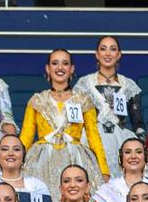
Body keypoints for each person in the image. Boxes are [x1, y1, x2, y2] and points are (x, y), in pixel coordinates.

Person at [20, 48, 110, 187]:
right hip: (41, 161)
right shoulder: (37, 101)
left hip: (76, 159)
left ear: (72, 69)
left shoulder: (83, 101)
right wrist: (15, 164)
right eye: (55, 63)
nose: (60, 67)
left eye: (65, 63)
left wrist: (104, 170)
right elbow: (26, 138)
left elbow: (94, 137)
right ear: (48, 68)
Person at [74, 34, 143, 177]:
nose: (107, 53)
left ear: (119, 55)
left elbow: (137, 122)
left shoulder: (129, 85)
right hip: (92, 140)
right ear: (97, 54)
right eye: (103, 49)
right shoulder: (84, 84)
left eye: (112, 49)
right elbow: (76, 119)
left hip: (120, 138)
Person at [94, 137, 148, 202]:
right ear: (121, 158)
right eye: (128, 152)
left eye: (138, 152)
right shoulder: (107, 191)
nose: (133, 156)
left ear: (146, 157)